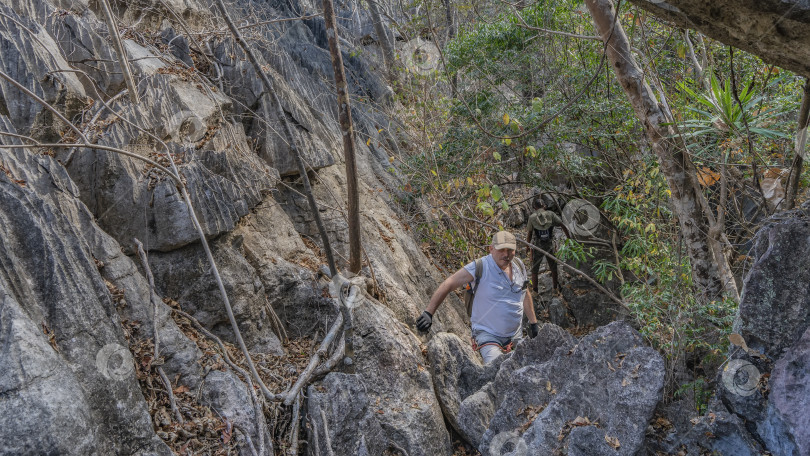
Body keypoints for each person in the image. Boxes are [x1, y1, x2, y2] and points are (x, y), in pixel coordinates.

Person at [416, 231, 539, 364]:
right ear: (491, 249)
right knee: (497, 370)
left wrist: (533, 323)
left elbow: (524, 292)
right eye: (501, 250)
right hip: (488, 336)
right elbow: (449, 283)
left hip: (515, 336)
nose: (506, 254)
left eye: (510, 250)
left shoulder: (518, 266)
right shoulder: (480, 267)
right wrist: (429, 312)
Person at [526, 196, 570, 293]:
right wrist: (569, 239)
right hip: (549, 244)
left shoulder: (532, 217)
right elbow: (563, 226)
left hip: (537, 245)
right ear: (545, 206)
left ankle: (535, 291)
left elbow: (529, 234)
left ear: (534, 207)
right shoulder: (551, 214)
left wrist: (527, 246)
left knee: (534, 269)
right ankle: (555, 288)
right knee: (553, 267)